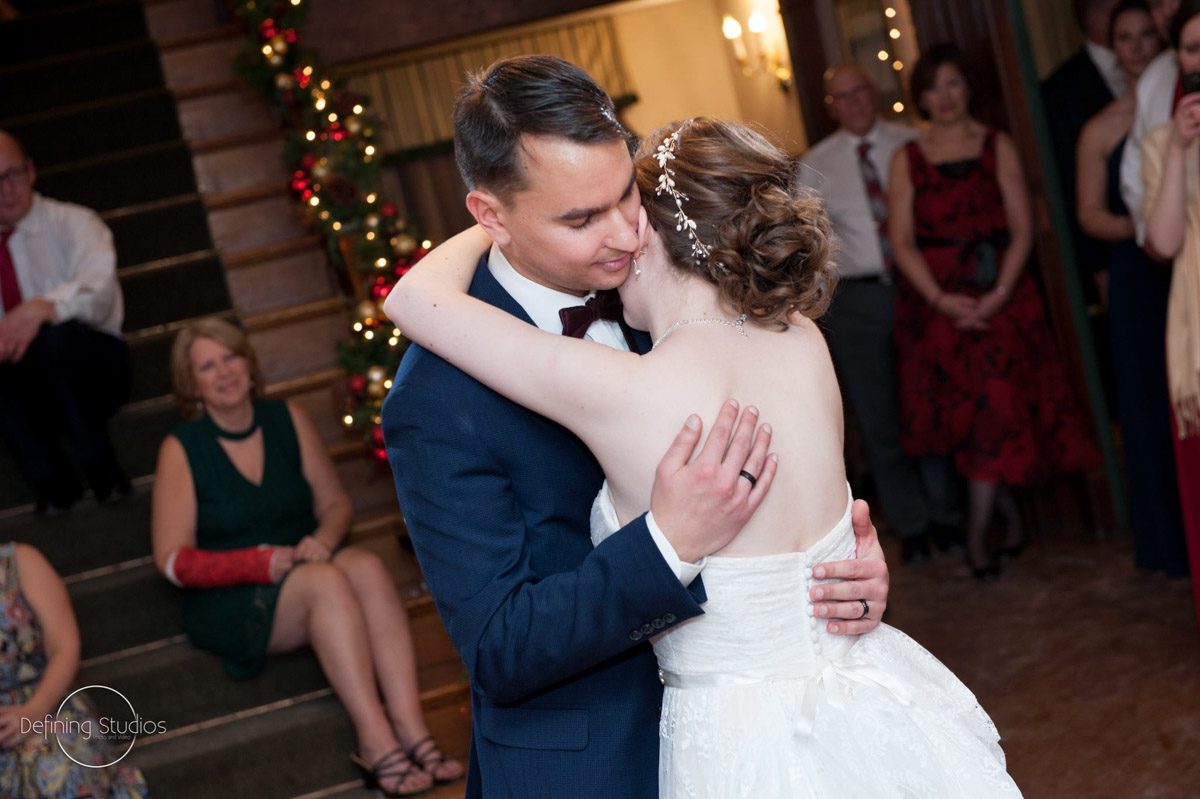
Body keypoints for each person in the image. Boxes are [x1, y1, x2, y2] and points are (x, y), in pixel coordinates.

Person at [388, 114, 1021, 797]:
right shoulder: (801, 335)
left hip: (733, 743)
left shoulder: (628, 382)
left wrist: (849, 574)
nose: (617, 234)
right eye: (582, 214)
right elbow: (501, 645)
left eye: (624, 203)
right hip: (850, 715)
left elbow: (413, 299)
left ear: (653, 224)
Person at [150, 318, 462, 797]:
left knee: (366, 565)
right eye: (208, 366)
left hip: (303, 565)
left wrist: (324, 537)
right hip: (233, 595)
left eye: (230, 357)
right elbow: (171, 560)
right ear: (192, 385)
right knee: (328, 583)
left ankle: (411, 728)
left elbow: (336, 505)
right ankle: (377, 743)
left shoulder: (286, 419)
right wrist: (254, 563)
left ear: (248, 364)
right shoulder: (182, 448)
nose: (225, 372)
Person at [887, 44, 1099, 580]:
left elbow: (1024, 228)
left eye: (954, 83)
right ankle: (1008, 523)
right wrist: (942, 300)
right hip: (937, 306)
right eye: (935, 87)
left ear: (969, 89)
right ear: (921, 97)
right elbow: (902, 241)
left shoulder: (996, 145)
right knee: (968, 420)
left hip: (1001, 298)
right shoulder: (905, 158)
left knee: (998, 411)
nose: (946, 96)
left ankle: (980, 537)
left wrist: (998, 294)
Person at [799, 63, 963, 564]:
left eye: (860, 92)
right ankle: (910, 525)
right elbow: (809, 244)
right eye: (842, 97)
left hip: (921, 292)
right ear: (832, 105)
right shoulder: (816, 164)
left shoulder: (911, 142)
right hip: (858, 299)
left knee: (930, 406)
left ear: (875, 92)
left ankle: (947, 517)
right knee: (879, 419)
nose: (854, 103)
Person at [1078, 1, 1188, 577]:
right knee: (1149, 402)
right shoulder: (1102, 126)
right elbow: (1089, 215)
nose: (1139, 45)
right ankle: (1168, 541)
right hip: (1136, 269)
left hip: (1180, 259)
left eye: (1148, 34)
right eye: (1127, 37)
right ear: (1111, 46)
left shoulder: (1176, 97)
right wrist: (1148, 224)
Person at [0, 130, 131, 513]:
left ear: (31, 171)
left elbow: (99, 294)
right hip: (25, 383)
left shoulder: (75, 222)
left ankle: (101, 468)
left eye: (13, 175)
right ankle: (53, 486)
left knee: (55, 338)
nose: (7, 189)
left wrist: (40, 308)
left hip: (95, 368)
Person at [0, 542, 149, 798]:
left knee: (55, 773)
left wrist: (33, 712)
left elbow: (65, 646)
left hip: (44, 702)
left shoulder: (19, 562)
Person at [1143, 0, 1200, 624]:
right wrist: (1182, 148)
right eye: (1190, 49)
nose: (1199, 60)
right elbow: (1161, 243)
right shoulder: (1161, 142)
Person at [1043, 0, 1123, 306]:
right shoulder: (1060, 91)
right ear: (1088, 16)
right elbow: (1068, 184)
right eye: (1109, 8)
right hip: (1112, 247)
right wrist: (1097, 267)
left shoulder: (1159, 64)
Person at [1120, 0, 1183, 240]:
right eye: (1156, 5)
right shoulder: (1154, 78)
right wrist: (1154, 232)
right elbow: (1134, 174)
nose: (1167, 10)